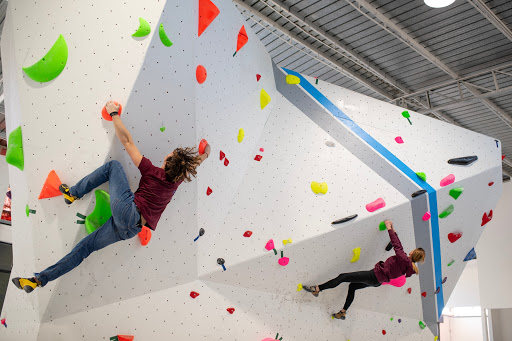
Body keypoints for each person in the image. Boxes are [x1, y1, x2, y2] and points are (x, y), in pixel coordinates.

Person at [12, 100, 211, 293]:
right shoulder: (176, 181)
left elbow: (127, 141)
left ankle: (73, 193)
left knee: (113, 166)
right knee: (85, 248)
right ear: (181, 171)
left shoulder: (151, 170)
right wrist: (205, 155)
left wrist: (114, 113)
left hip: (127, 211)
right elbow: (193, 165)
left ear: (167, 161)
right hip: (130, 230)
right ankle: (38, 280)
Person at [303, 220, 425, 320]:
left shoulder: (404, 259)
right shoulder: (409, 268)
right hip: (377, 282)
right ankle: (343, 312)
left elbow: (397, 245)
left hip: (374, 276)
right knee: (352, 286)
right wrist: (393, 230)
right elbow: (398, 245)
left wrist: (389, 228)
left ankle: (317, 289)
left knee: (342, 277)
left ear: (413, 252)